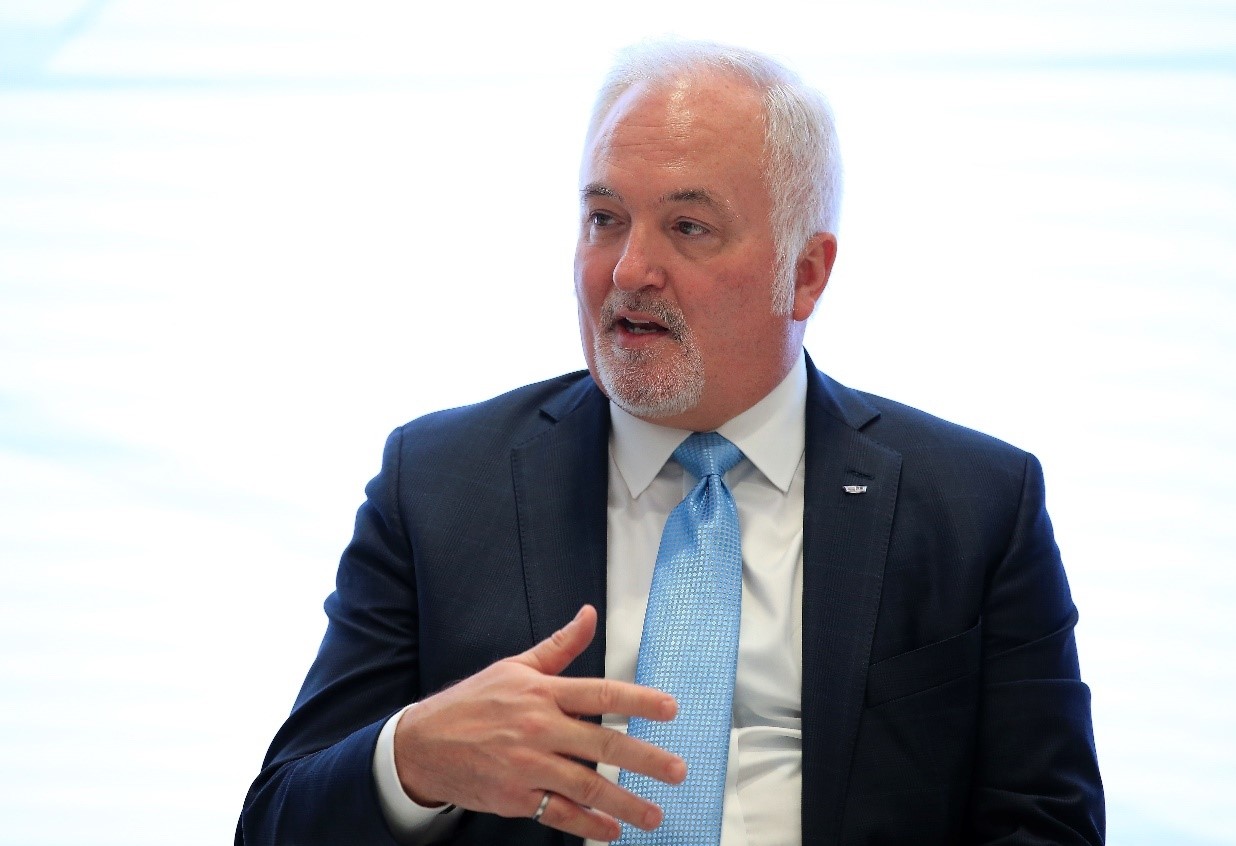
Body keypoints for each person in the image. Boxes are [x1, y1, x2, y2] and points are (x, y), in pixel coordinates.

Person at [237, 39, 1105, 846]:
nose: (627, 271)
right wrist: (411, 761)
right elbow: (277, 821)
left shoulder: (974, 505)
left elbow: (1047, 824)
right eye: (604, 218)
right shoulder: (437, 483)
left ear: (804, 273)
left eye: (687, 227)